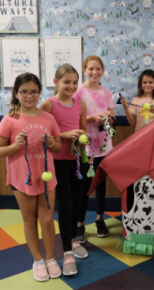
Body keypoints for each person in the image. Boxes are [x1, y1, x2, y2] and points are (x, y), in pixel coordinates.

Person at [0, 73, 62, 281]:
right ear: (16, 93)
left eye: (34, 91)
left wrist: (51, 142)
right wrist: (14, 146)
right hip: (22, 178)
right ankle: (37, 260)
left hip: (46, 178)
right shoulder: (10, 119)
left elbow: (59, 147)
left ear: (39, 93)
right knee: (29, 220)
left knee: (47, 220)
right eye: (24, 91)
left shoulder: (49, 118)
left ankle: (51, 258)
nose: (29, 96)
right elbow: (1, 150)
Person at [39, 65, 88, 276]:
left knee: (77, 201)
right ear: (56, 81)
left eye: (75, 82)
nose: (71, 86)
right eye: (66, 82)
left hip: (77, 161)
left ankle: (74, 240)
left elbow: (83, 128)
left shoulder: (81, 104)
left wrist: (82, 137)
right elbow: (43, 134)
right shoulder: (48, 104)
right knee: (66, 204)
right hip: (56, 162)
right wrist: (65, 135)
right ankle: (67, 252)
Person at [73, 56, 115, 243]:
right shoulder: (79, 91)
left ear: (103, 71)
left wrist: (107, 118)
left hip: (104, 146)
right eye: (90, 69)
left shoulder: (106, 92)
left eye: (98, 69)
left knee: (100, 184)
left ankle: (99, 219)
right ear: (84, 70)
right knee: (84, 187)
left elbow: (112, 117)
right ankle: (80, 223)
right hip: (86, 147)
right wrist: (91, 119)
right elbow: (73, 117)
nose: (94, 72)